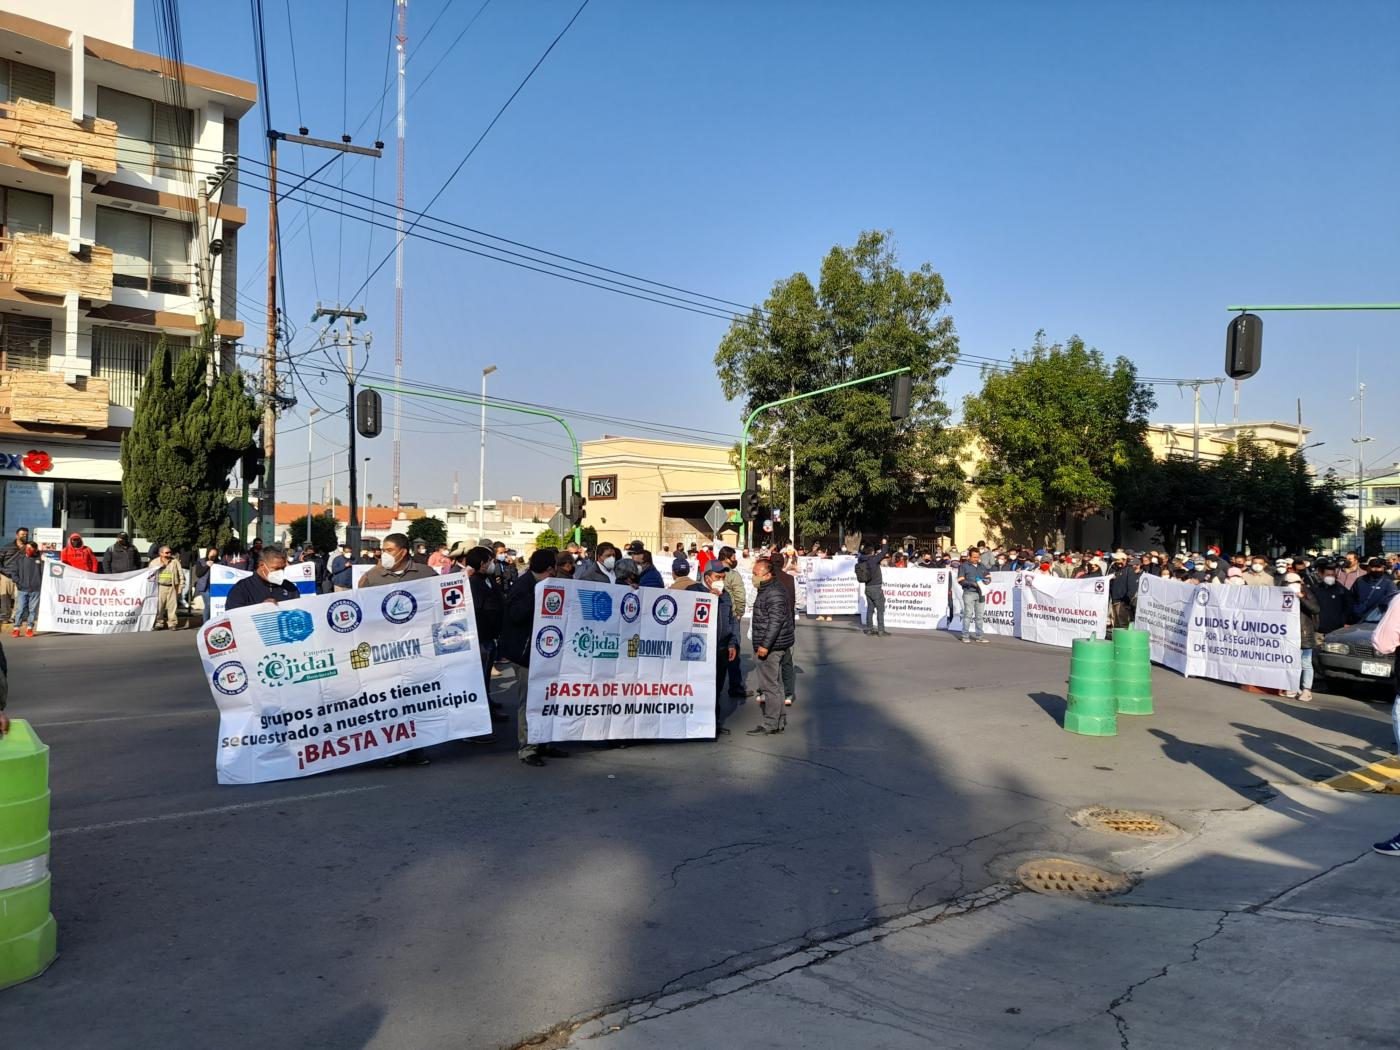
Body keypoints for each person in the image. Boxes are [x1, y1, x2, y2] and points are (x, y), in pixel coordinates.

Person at [358, 533, 438, 765]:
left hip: (416, 648)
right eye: (383, 549)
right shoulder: (373, 577)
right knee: (389, 701)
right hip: (386, 651)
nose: (384, 554)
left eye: (389, 549)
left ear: (403, 551)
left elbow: (438, 603)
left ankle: (416, 749)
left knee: (416, 700)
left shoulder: (425, 574)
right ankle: (391, 750)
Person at [498, 548, 568, 767]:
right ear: (549, 569)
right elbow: (516, 615)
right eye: (554, 566)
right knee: (529, 702)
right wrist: (538, 595)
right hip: (525, 654)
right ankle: (528, 747)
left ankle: (544, 740)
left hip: (545, 653)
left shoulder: (550, 584)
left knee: (547, 699)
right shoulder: (524, 586)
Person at [747, 557, 794, 736]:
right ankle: (779, 721)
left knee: (770, 686)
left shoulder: (773, 592)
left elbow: (775, 621)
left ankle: (770, 723)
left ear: (767, 575)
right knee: (775, 685)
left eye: (756, 574)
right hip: (774, 643)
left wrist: (765, 646)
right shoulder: (767, 588)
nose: (753, 577)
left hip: (771, 646)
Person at [690, 563, 739, 736]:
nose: (721, 581)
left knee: (716, 687)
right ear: (708, 577)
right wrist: (707, 600)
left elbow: (731, 621)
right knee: (697, 687)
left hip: (721, 648)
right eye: (718, 577)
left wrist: (732, 643)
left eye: (723, 578)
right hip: (698, 650)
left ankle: (713, 723)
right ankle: (693, 724)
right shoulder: (693, 591)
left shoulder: (725, 596)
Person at [463, 546, 508, 723]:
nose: (492, 564)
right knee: (480, 677)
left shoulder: (487, 579)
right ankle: (483, 714)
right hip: (481, 638)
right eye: (489, 561)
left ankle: (488, 702)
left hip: (491, 635)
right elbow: (476, 611)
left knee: (486, 675)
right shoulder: (474, 583)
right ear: (482, 563)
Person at [1280, 572, 1318, 701]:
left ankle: (1307, 690)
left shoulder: (1307, 593)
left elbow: (1315, 609)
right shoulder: (1281, 593)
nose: (1293, 585)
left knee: (1305, 662)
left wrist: (1301, 596)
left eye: (1296, 582)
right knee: (1290, 661)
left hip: (1304, 633)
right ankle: (1293, 687)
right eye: (1289, 583)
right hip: (1288, 633)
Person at [717, 546, 749, 699]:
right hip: (730, 615)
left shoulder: (709, 570)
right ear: (727, 557)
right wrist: (739, 613)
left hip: (714, 617)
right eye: (734, 557)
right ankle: (735, 686)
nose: (735, 560)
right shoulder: (732, 575)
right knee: (733, 651)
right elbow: (740, 595)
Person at [225, 547, 301, 610]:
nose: (280, 572)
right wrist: (259, 609)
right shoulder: (241, 589)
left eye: (283, 568)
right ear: (261, 565)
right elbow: (233, 618)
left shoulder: (290, 588)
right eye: (276, 568)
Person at [957, 546, 991, 644]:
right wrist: (972, 583)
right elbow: (960, 580)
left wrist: (987, 581)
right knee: (968, 615)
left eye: (978, 557)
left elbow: (988, 577)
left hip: (981, 593)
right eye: (974, 557)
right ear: (969, 557)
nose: (976, 559)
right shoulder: (964, 566)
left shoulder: (982, 566)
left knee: (979, 616)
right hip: (969, 593)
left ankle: (980, 636)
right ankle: (965, 636)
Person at [1350, 557, 1396, 623]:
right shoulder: (1360, 580)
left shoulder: (1388, 583)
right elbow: (1351, 597)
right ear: (1369, 567)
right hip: (1357, 618)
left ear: (1383, 568)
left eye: (1378, 567)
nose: (1375, 569)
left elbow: (1392, 603)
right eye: (1373, 567)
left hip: (1377, 620)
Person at [857, 540, 888, 637]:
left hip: (867, 587)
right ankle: (881, 630)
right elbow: (884, 552)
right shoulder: (873, 559)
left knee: (870, 608)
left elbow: (861, 554)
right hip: (876, 587)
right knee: (880, 608)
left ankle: (869, 629)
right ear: (872, 552)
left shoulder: (861, 560)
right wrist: (884, 543)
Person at [150, 546, 185, 630]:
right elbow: (150, 575)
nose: (169, 554)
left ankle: (172, 624)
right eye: (167, 552)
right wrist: (158, 566)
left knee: (172, 607)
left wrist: (181, 586)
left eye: (170, 552)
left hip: (172, 586)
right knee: (159, 607)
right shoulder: (154, 562)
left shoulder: (174, 562)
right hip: (160, 587)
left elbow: (181, 574)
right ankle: (159, 623)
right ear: (161, 553)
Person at [11, 541, 41, 637]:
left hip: (35, 590)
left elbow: (45, 572)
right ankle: (16, 629)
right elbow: (14, 573)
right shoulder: (19, 559)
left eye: (31, 548)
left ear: (35, 549)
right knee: (20, 609)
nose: (28, 550)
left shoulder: (40, 560)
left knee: (32, 610)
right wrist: (19, 583)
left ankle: (29, 629)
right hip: (22, 589)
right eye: (27, 547)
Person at [1313, 561, 1349, 636]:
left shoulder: (1341, 590)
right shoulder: (1316, 589)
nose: (1330, 577)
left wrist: (1346, 622)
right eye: (1328, 575)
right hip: (1320, 629)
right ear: (1322, 575)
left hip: (1337, 629)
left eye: (1332, 575)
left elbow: (1348, 606)